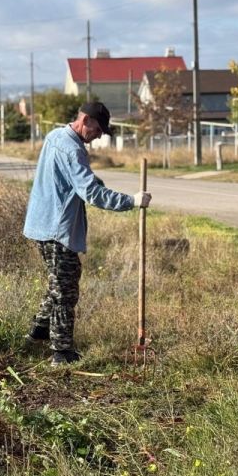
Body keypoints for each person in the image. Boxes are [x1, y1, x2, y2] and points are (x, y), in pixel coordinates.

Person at [23, 101, 151, 366]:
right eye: (98, 129)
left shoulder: (56, 136)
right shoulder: (72, 149)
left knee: (60, 282)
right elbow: (91, 193)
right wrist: (132, 201)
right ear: (86, 120)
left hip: (42, 223)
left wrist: (95, 181)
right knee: (66, 291)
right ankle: (61, 352)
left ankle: (38, 332)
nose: (99, 135)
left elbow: (73, 180)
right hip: (56, 228)